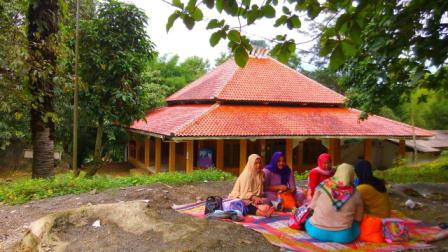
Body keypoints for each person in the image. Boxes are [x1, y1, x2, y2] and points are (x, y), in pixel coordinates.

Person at [306, 163, 363, 243]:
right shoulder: (356, 193)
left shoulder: (323, 185)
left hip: (316, 232)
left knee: (308, 221)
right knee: (356, 227)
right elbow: (358, 218)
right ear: (352, 175)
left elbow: (311, 206)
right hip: (343, 236)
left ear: (337, 173)